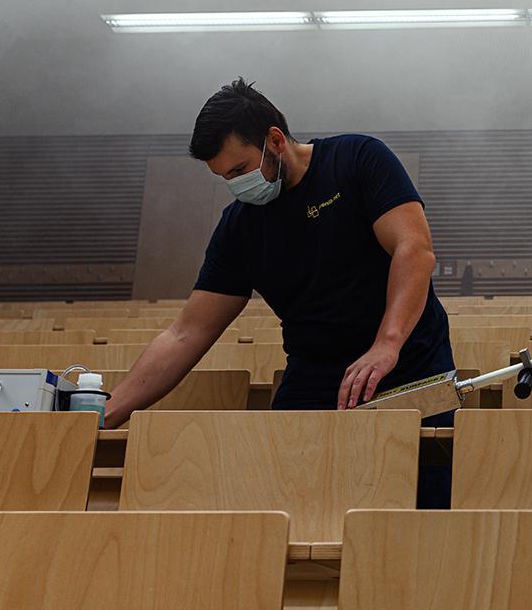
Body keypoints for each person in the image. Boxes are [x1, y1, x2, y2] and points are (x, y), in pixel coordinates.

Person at [106, 80, 455, 495]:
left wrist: (387, 344)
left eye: (239, 170)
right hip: (316, 375)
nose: (236, 185)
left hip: (408, 364)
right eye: (224, 178)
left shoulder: (358, 159)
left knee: (423, 503)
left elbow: (413, 249)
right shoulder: (239, 227)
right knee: (284, 496)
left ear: (274, 140)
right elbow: (186, 333)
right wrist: (106, 413)